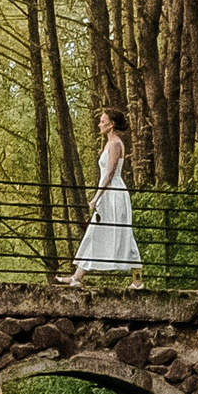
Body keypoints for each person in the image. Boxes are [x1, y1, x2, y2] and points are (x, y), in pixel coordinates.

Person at [61, 109, 142, 286]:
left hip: (113, 194)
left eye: (102, 121)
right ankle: (77, 277)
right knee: (95, 231)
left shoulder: (115, 144)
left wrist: (96, 197)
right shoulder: (109, 143)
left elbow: (110, 173)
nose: (99, 124)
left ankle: (137, 280)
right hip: (109, 193)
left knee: (122, 232)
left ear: (111, 124)